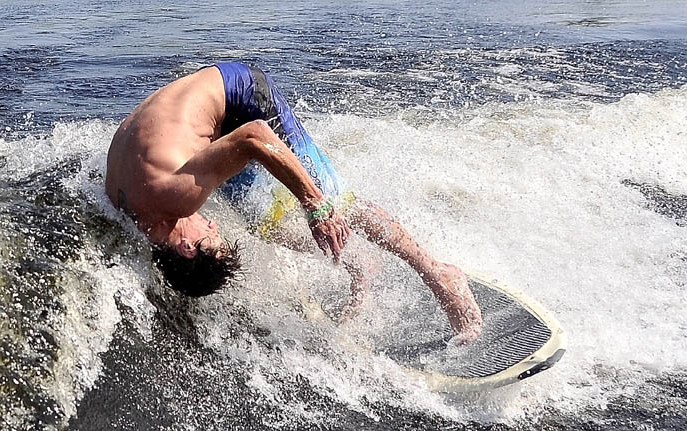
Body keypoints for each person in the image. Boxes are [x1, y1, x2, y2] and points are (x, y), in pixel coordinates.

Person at [105, 62, 483, 343]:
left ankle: (439, 274)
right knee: (262, 220)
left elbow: (254, 136)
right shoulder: (132, 212)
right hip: (205, 127)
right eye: (215, 236)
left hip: (244, 96)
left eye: (211, 237)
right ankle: (360, 263)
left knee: (336, 205)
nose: (214, 226)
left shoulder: (175, 196)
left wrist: (313, 203)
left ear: (187, 248)